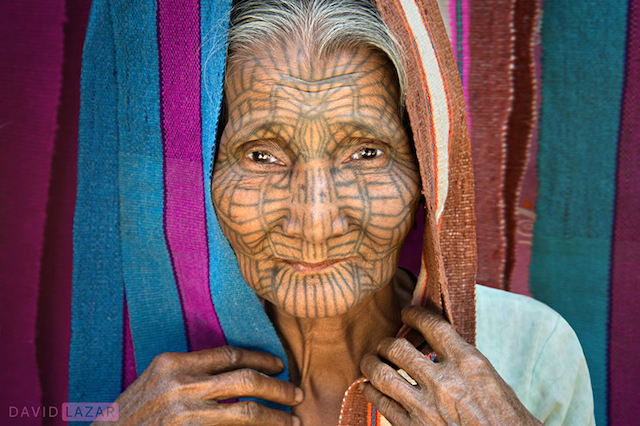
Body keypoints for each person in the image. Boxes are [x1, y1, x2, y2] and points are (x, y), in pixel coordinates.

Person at [98, 0, 594, 425]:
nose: (316, 222)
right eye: (262, 156)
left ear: (426, 173)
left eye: (365, 154)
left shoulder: (529, 351)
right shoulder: (146, 366)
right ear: (204, 176)